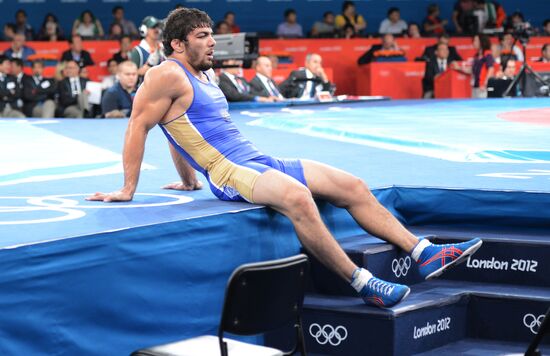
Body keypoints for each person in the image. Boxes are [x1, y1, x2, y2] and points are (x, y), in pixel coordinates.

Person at [87, 7, 483, 309]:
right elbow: (140, 125)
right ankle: (364, 283)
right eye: (203, 36)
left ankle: (423, 252)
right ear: (177, 43)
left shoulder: (208, 75)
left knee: (352, 185)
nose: (213, 42)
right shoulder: (164, 75)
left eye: (212, 35)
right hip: (230, 173)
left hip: (258, 159)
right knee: (298, 197)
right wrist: (128, 188)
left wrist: (188, 179)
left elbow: (176, 128)